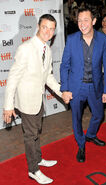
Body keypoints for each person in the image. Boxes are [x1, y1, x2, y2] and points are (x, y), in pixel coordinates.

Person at [3, 14, 62, 184]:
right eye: (45, 27)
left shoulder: (47, 49)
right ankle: (33, 170)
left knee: (36, 133)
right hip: (27, 101)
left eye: (52, 29)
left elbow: (48, 77)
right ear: (38, 26)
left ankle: (38, 159)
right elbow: (13, 78)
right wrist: (8, 106)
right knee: (30, 136)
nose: (48, 32)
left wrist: (61, 92)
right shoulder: (25, 48)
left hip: (38, 100)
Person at [60, 8, 106, 163]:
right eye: (79, 20)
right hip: (76, 87)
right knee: (76, 118)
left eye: (86, 20)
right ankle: (81, 144)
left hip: (95, 86)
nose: (82, 24)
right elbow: (64, 66)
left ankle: (90, 135)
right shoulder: (71, 39)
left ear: (94, 21)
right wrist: (65, 88)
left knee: (99, 115)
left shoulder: (103, 40)